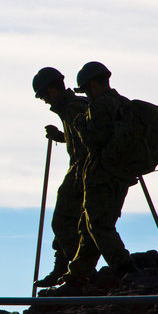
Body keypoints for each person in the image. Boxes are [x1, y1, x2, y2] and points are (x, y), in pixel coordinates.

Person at [57, 61, 140, 292]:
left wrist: (81, 124)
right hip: (120, 175)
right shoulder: (122, 103)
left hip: (101, 175)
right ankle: (78, 274)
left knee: (98, 225)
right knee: (87, 225)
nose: (85, 95)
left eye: (85, 89)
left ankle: (125, 268)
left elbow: (94, 140)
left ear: (92, 84)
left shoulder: (100, 106)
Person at [32, 67, 89, 287]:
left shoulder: (74, 107)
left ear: (53, 89)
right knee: (70, 221)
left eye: (45, 95)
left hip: (83, 171)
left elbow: (91, 138)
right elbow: (81, 136)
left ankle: (79, 271)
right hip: (81, 170)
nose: (45, 101)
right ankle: (65, 268)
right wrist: (61, 137)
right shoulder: (71, 108)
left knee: (63, 221)